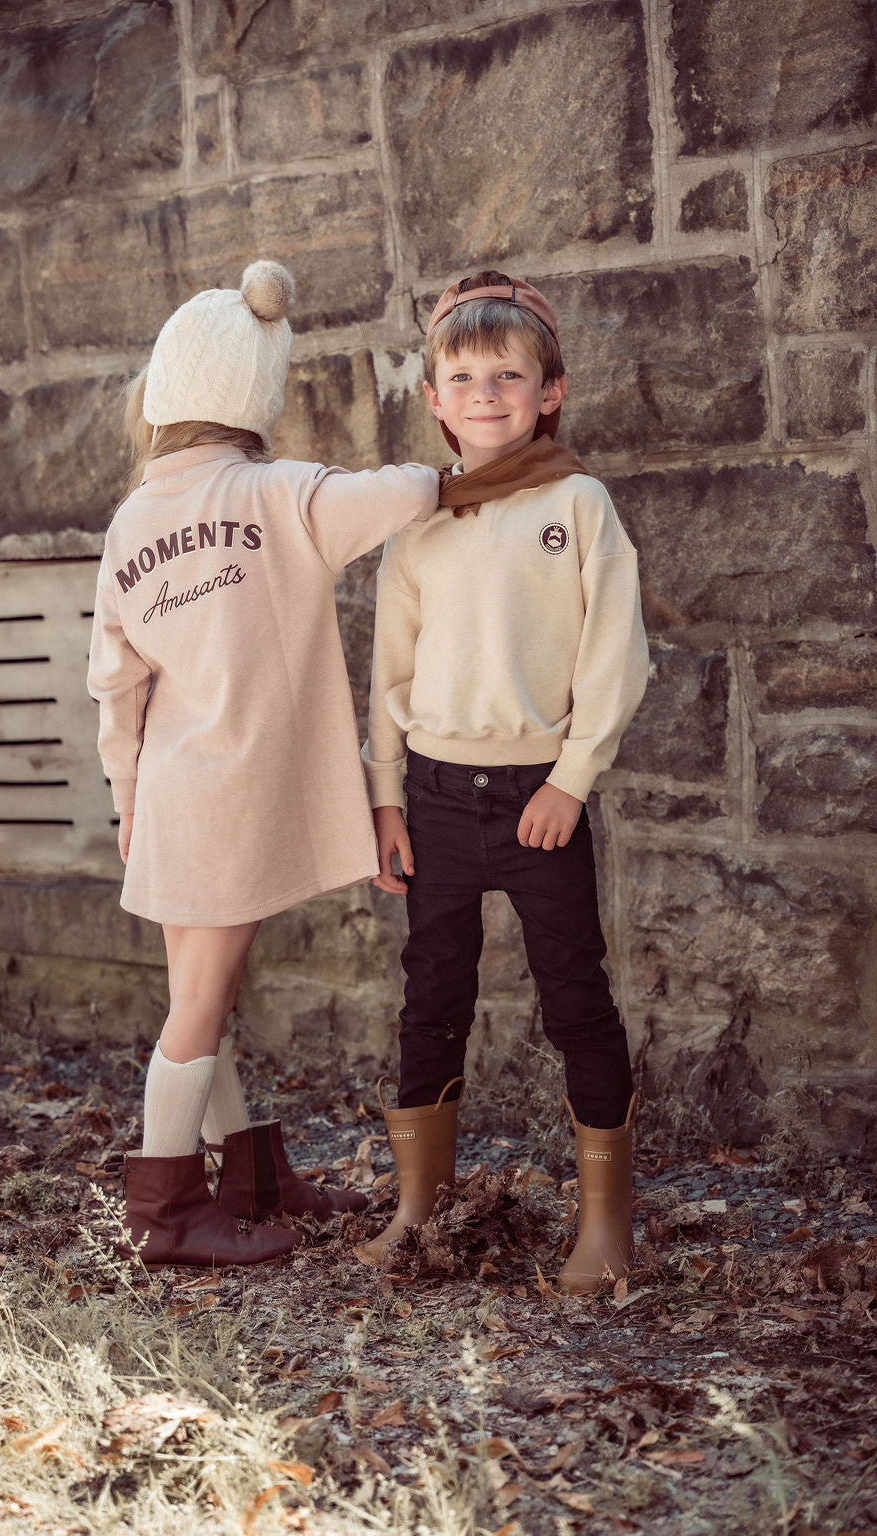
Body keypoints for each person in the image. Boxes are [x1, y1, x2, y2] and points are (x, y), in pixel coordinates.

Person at [87, 260, 440, 1269]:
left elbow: (115, 684)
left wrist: (126, 799)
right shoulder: (284, 496)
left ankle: (247, 1176)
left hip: (168, 792)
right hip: (231, 800)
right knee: (199, 1005)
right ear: (255, 395)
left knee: (202, 994)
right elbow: (410, 491)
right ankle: (162, 1212)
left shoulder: (131, 522)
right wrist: (456, 467)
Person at [356, 271, 649, 1292]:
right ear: (434, 398)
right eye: (464, 377)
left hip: (539, 800)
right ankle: (417, 1210)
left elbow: (617, 655)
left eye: (509, 375)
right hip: (435, 797)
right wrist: (385, 796)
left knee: (575, 998)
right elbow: (389, 670)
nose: (486, 394)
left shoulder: (577, 503)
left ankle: (605, 1225)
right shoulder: (420, 520)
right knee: (431, 995)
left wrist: (573, 778)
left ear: (549, 390)